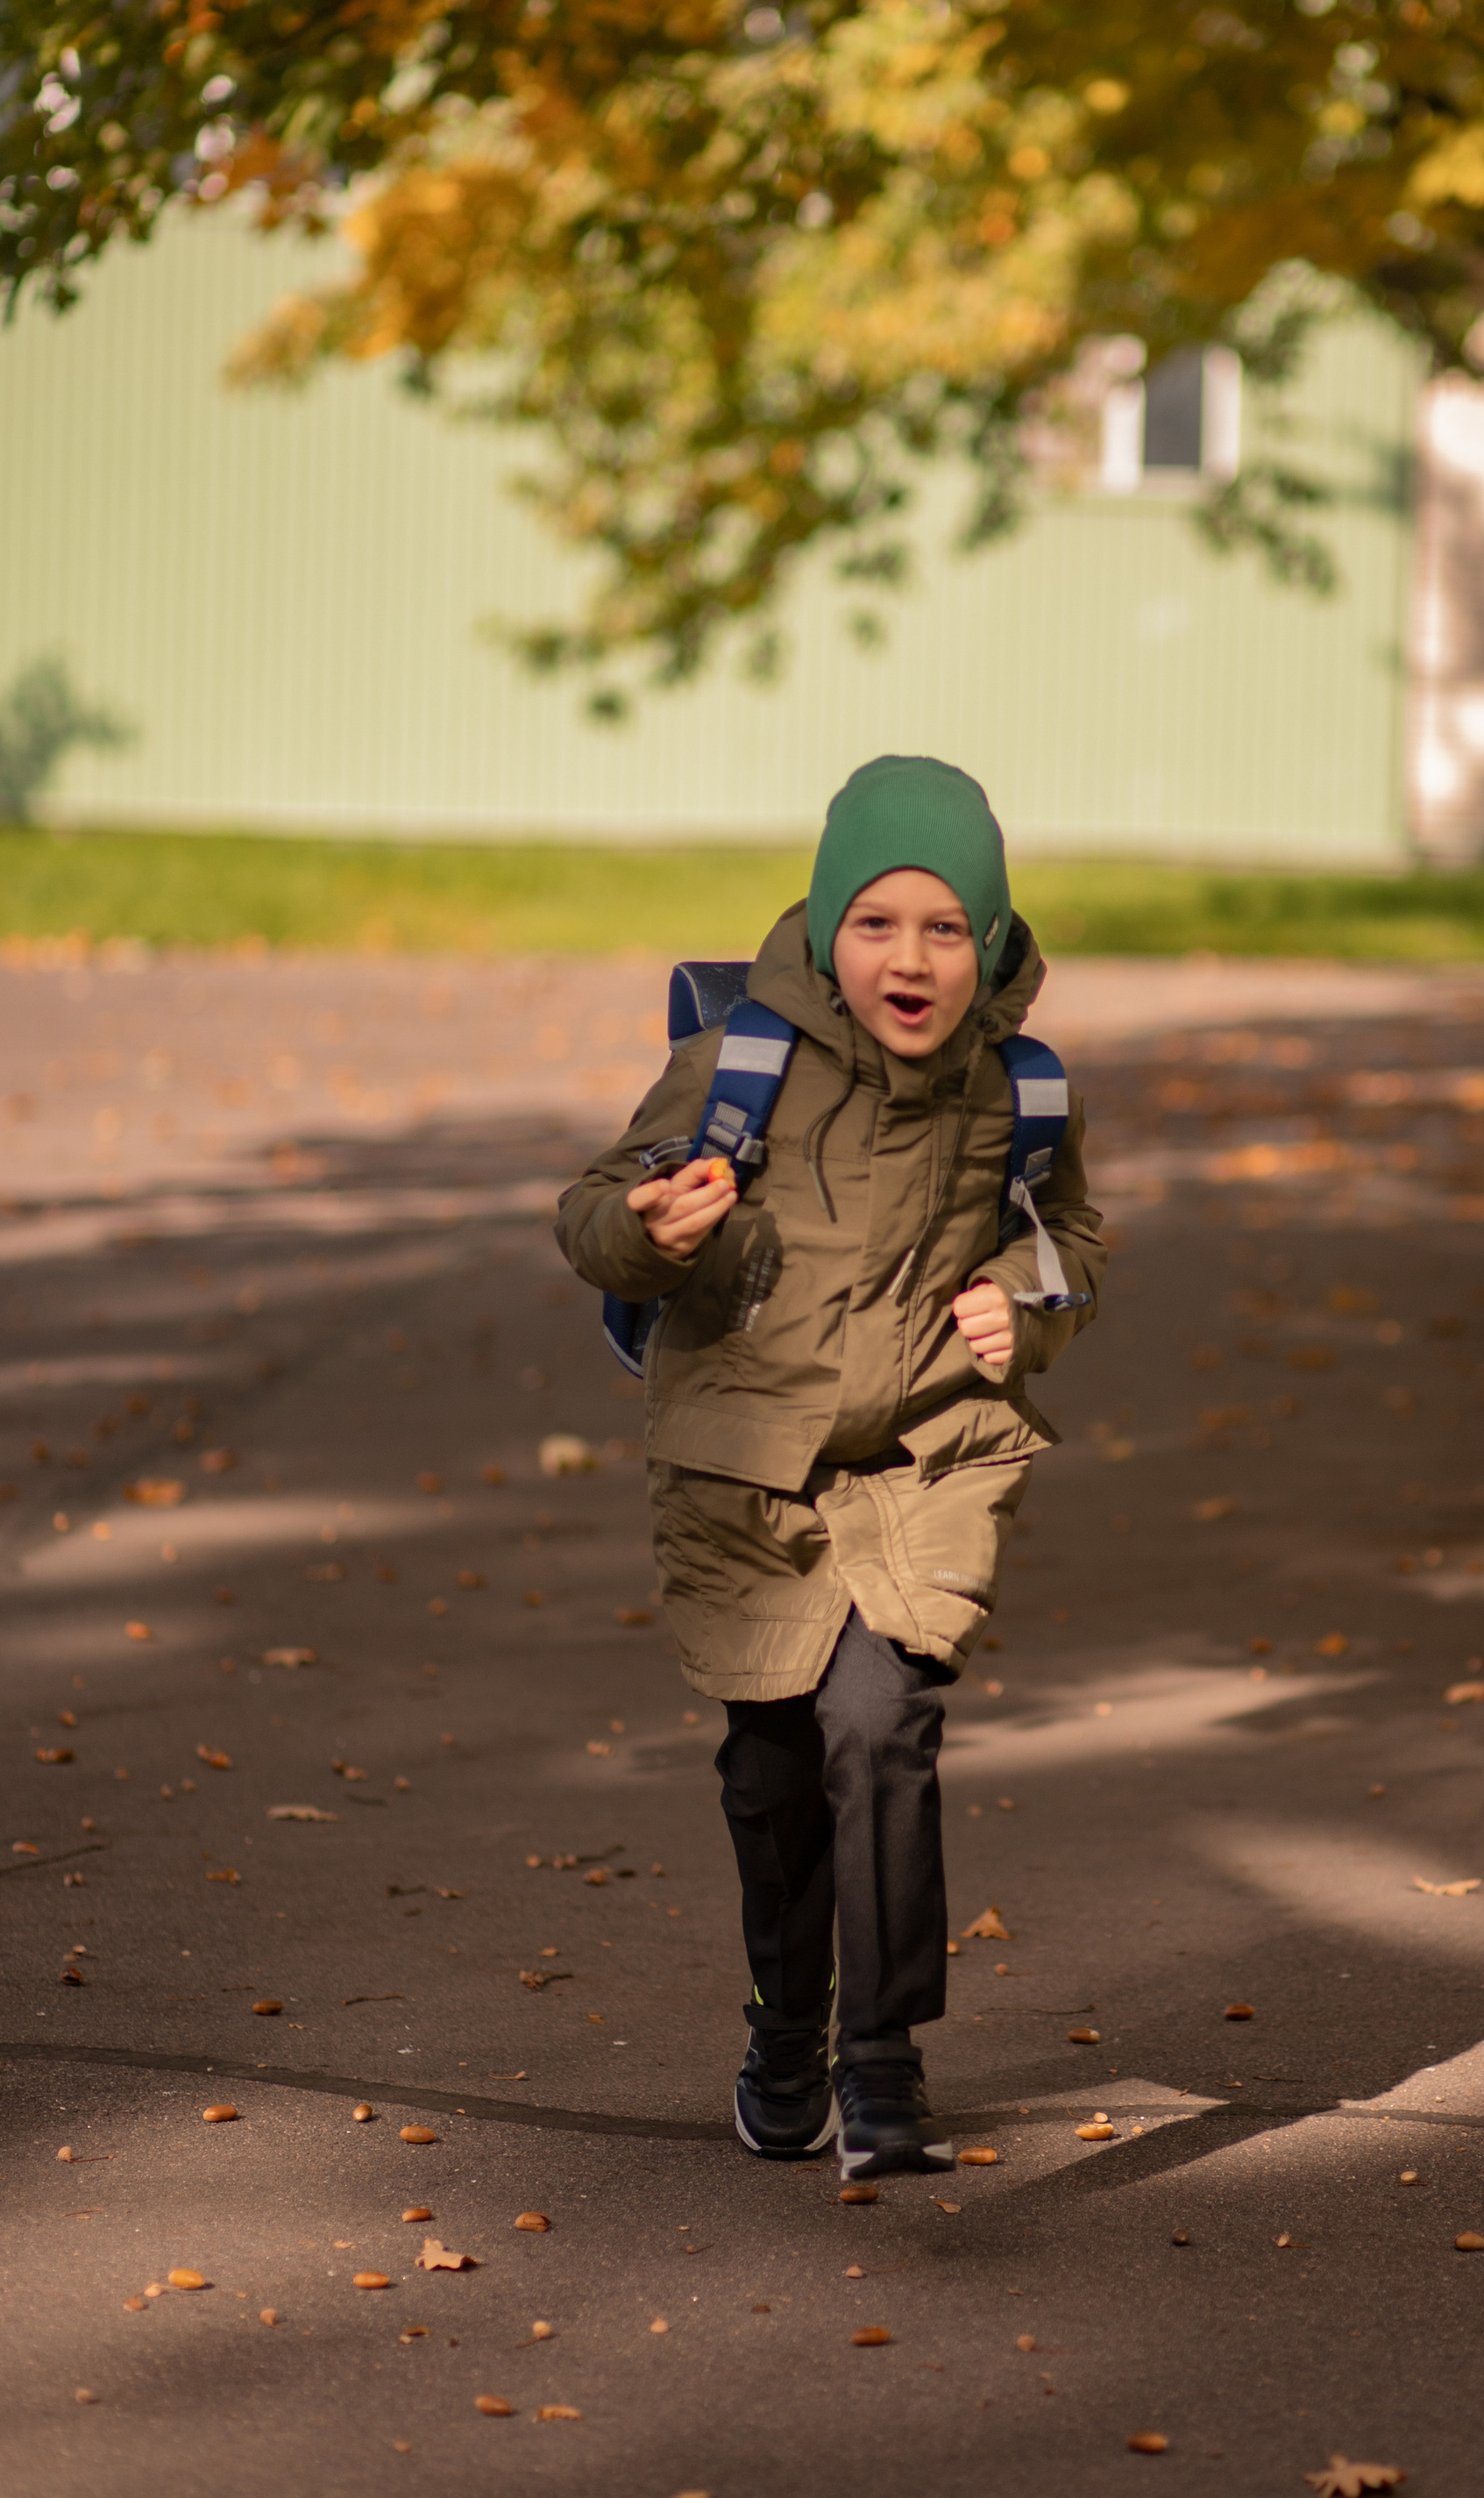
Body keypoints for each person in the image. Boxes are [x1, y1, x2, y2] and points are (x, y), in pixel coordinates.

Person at [555, 756, 1104, 2178]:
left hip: (925, 1464)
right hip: (747, 1474)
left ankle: (883, 2065)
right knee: (772, 1771)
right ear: (822, 923)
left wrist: (1026, 1303)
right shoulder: (741, 1062)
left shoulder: (1020, 1089)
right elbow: (590, 1216)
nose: (908, 959)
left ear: (984, 943)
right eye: (874, 924)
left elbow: (1070, 1242)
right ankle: (784, 2028)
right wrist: (655, 1229)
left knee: (882, 1725)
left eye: (941, 928)